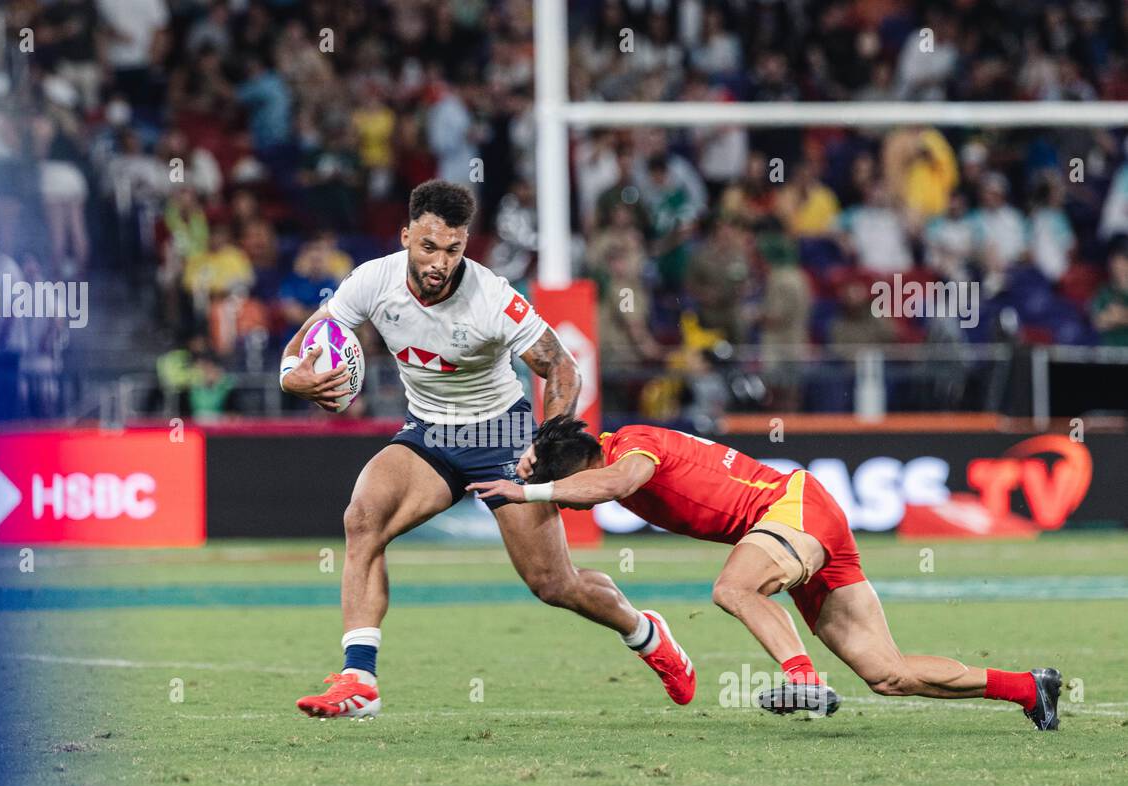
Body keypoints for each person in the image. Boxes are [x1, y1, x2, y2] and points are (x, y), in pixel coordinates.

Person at [280, 181, 695, 718]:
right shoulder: (371, 280)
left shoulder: (493, 297)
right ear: (406, 236)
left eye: (453, 250)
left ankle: (645, 632)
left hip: (500, 434)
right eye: (428, 247)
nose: (439, 262)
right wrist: (293, 378)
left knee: (553, 584)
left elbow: (561, 366)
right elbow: (306, 342)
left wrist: (545, 446)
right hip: (428, 432)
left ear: (465, 246)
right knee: (363, 518)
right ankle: (360, 679)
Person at [468, 416, 1062, 731]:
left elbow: (615, 484)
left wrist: (527, 491)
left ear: (574, 468)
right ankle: (1029, 688)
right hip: (801, 521)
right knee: (889, 675)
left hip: (792, 509)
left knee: (732, 588)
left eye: (559, 488)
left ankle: (801, 676)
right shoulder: (611, 457)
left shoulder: (631, 447)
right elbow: (598, 488)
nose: (561, 503)